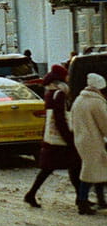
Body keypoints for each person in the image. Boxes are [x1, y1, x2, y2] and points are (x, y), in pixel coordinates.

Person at [23, 64, 82, 209]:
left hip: (52, 137)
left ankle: (80, 197)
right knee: (73, 165)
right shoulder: (59, 93)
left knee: (53, 168)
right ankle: (81, 198)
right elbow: (59, 118)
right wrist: (68, 137)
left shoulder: (50, 92)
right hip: (59, 138)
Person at [70, 73, 107, 215]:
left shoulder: (79, 100)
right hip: (93, 140)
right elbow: (105, 122)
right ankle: (83, 201)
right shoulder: (96, 102)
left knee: (96, 169)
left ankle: (98, 199)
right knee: (91, 171)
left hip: (81, 139)